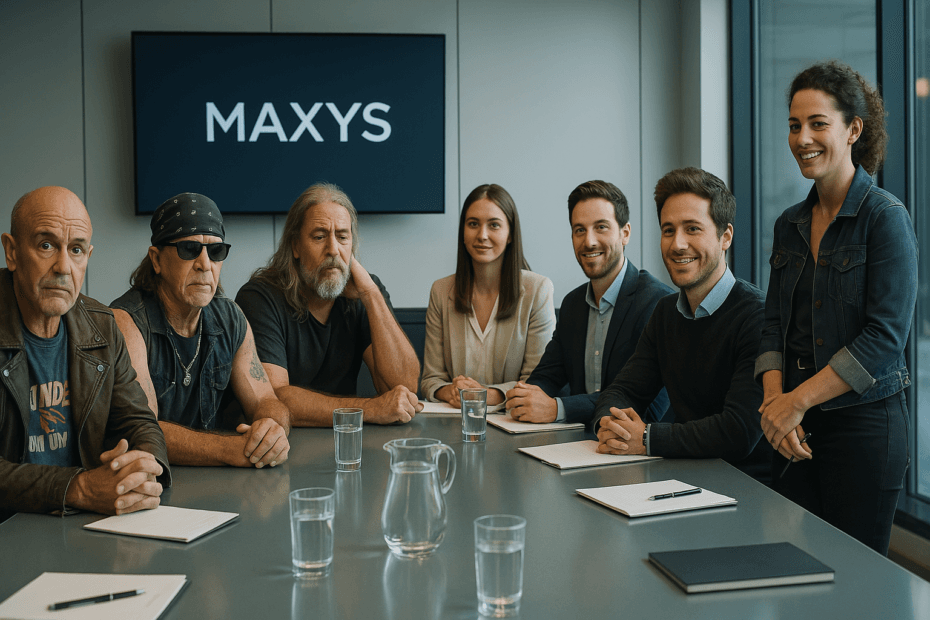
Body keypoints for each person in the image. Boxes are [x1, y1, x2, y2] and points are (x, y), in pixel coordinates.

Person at [755, 61, 916, 555]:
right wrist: (773, 406)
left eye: (818, 123)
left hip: (864, 430)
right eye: (794, 125)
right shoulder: (789, 223)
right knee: (795, 577)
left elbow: (883, 341)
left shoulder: (885, 218)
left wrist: (795, 401)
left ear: (853, 130)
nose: (803, 137)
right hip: (794, 428)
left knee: (857, 584)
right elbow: (773, 324)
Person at [0, 186, 169, 519]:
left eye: (76, 249)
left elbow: (140, 422)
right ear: (12, 252)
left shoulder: (102, 328)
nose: (64, 266)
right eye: (46, 245)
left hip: (84, 526)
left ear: (87, 257)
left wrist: (144, 466)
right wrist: (80, 488)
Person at [594, 168, 771, 482]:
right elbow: (622, 390)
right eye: (668, 230)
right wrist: (612, 425)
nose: (677, 244)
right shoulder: (666, 313)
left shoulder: (758, 316)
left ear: (725, 236)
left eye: (692, 229)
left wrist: (646, 438)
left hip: (748, 488)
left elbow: (739, 430)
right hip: (681, 477)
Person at [111, 193, 291, 468]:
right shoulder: (126, 322)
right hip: (152, 487)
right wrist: (231, 449)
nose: (205, 264)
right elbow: (143, 432)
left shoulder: (231, 317)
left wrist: (273, 430)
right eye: (189, 249)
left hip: (216, 487)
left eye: (216, 251)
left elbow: (266, 400)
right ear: (156, 259)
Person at [236, 183, 422, 426]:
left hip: (348, 443)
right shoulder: (260, 297)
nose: (333, 249)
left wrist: (371, 295)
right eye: (319, 236)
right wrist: (370, 409)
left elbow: (404, 387)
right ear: (295, 246)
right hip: (279, 444)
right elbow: (273, 398)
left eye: (342, 237)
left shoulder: (364, 291)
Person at [505, 180, 673, 426]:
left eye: (601, 227)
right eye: (579, 230)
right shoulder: (573, 304)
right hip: (574, 447)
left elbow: (644, 404)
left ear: (625, 233)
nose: (589, 241)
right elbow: (547, 376)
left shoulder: (658, 303)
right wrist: (526, 396)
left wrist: (558, 408)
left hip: (636, 452)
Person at [421, 184, 555, 408]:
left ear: (510, 233)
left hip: (516, 422)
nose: (482, 235)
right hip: (456, 421)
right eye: (473, 224)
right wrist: (451, 392)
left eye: (494, 225)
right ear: (463, 232)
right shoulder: (441, 291)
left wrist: (488, 395)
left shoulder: (538, 289)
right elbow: (431, 380)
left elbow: (537, 382)